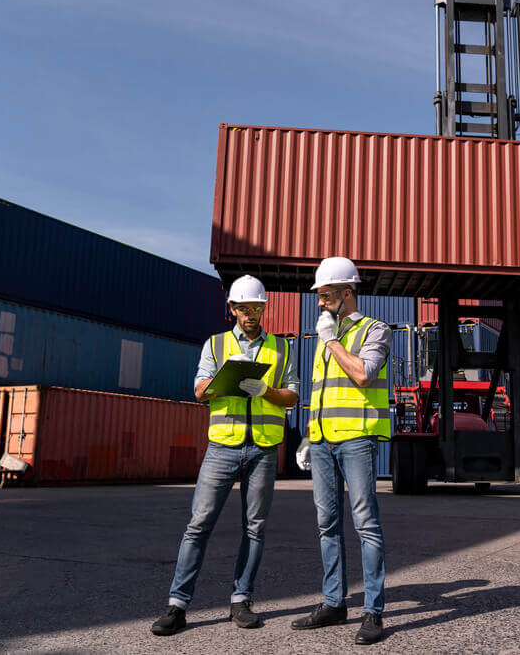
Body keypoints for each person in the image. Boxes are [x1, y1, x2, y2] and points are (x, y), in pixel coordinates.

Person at [151, 275, 298, 636]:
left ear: (263, 308)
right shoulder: (215, 345)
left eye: (257, 307)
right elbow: (199, 389)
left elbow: (293, 396)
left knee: (255, 527)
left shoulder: (281, 347)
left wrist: (265, 391)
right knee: (198, 524)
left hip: (263, 447)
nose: (251, 314)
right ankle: (177, 606)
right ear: (232, 308)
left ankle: (241, 600)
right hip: (222, 446)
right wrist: (224, 381)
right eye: (244, 308)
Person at [290, 257, 391, 645]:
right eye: (319, 295)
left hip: (356, 440)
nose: (319, 302)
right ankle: (334, 603)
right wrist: (308, 436)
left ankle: (373, 611)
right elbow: (320, 394)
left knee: (366, 524)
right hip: (321, 442)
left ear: (347, 293)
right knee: (326, 524)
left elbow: (363, 374)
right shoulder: (323, 336)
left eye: (326, 295)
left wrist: (332, 341)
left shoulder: (374, 330)